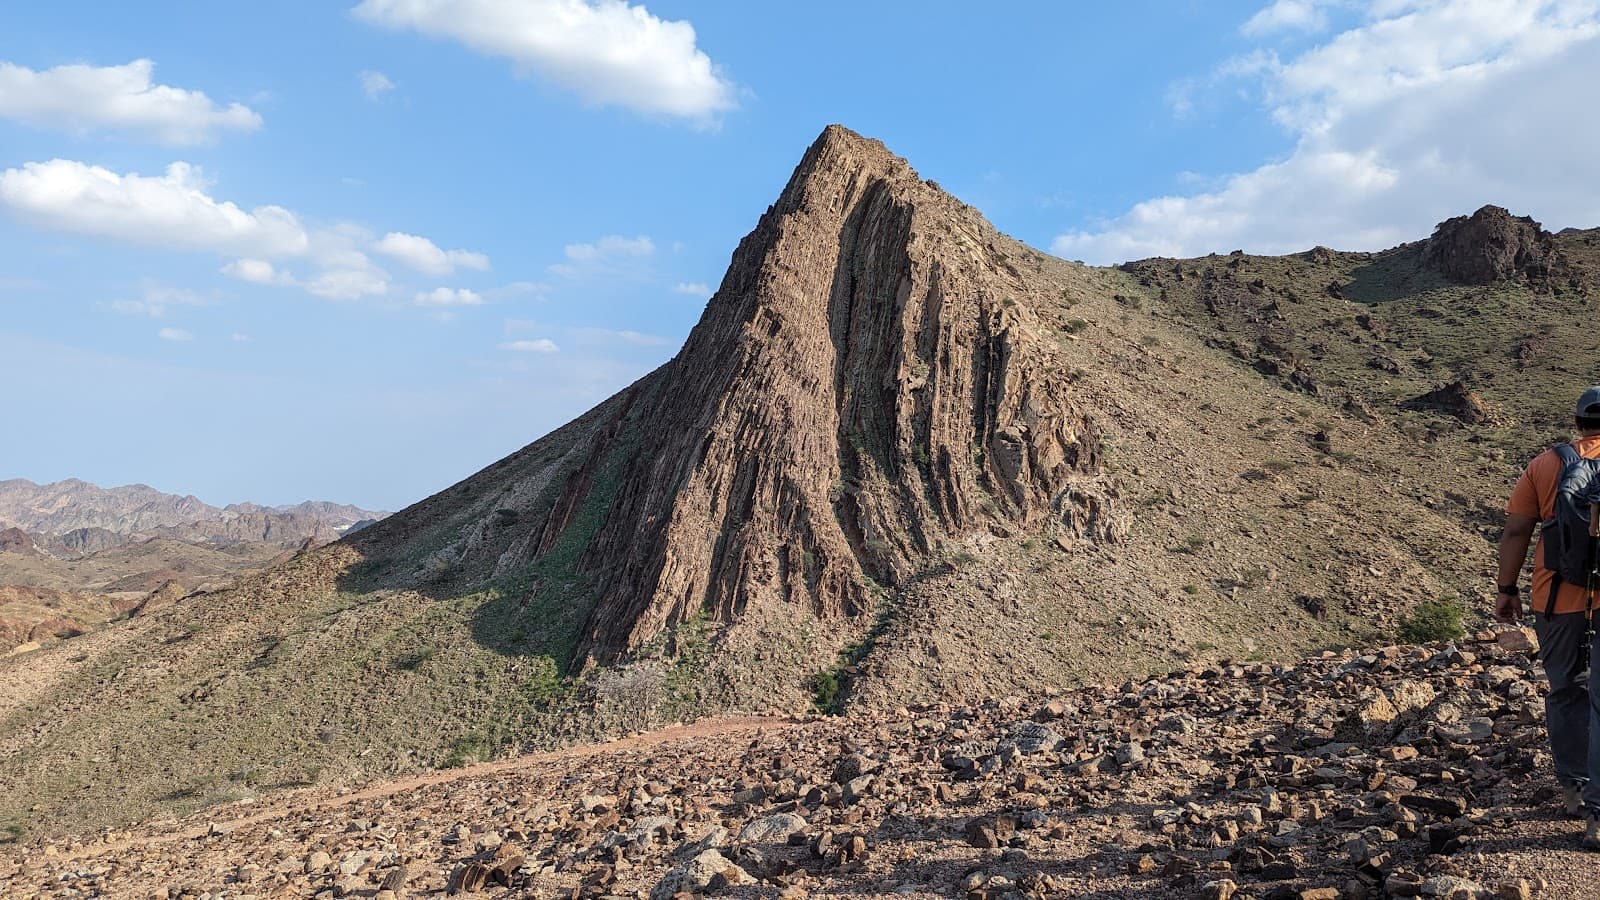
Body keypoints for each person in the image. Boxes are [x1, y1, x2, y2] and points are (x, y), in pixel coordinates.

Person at [1496, 385, 1600, 850]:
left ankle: (1574, 789)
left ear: (1578, 422)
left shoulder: (1545, 464)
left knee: (1566, 690)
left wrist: (1506, 590)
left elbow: (1517, 530)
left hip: (1557, 599)